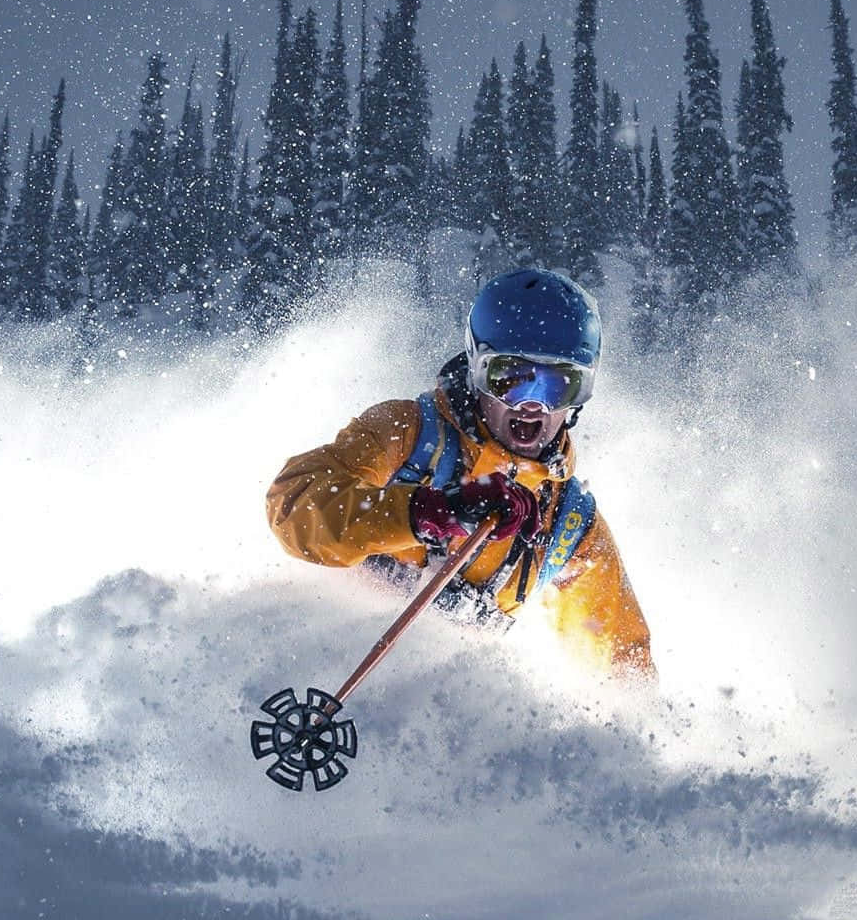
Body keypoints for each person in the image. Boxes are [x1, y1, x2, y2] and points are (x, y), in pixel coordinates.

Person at [267, 267, 654, 680]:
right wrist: (429, 512)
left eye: (560, 385)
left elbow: (624, 666)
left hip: (423, 713)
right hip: (316, 677)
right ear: (476, 369)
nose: (533, 406)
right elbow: (292, 505)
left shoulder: (568, 525)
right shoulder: (408, 438)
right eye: (511, 378)